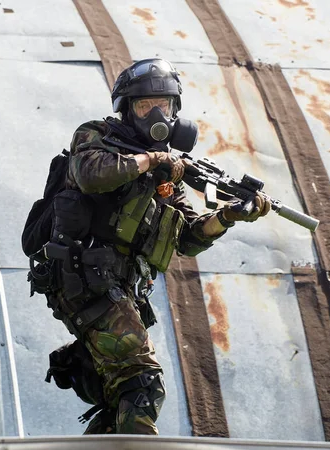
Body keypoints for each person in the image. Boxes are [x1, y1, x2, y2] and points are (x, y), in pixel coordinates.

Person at [26, 58, 271, 435]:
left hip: (119, 287)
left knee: (118, 395)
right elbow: (91, 175)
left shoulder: (166, 176)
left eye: (165, 106)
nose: (157, 113)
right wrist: (153, 160)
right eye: (145, 106)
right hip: (82, 275)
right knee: (142, 383)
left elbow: (188, 238)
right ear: (127, 109)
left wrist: (229, 216)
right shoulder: (97, 137)